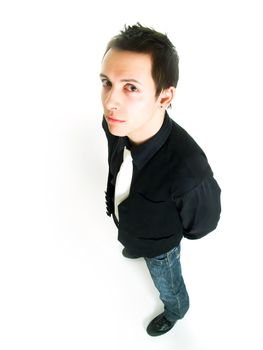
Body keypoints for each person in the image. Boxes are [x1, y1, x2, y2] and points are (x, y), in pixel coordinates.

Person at [100, 23, 221, 337]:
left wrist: (160, 241)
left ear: (164, 96)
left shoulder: (189, 169)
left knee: (168, 283)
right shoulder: (116, 124)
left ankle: (177, 310)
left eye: (131, 87)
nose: (110, 101)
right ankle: (134, 243)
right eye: (106, 82)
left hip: (161, 246)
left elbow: (202, 224)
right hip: (133, 228)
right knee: (134, 240)